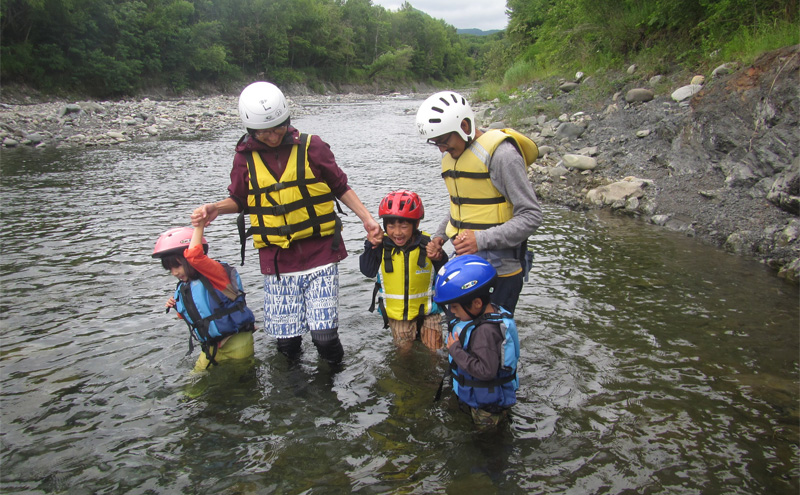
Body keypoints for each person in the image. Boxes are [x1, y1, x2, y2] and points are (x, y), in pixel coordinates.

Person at [191, 81, 382, 368]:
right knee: (287, 343)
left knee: (325, 337)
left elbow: (339, 186)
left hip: (320, 252)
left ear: (287, 119)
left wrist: (367, 219)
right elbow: (241, 199)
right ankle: (292, 399)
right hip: (277, 260)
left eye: (278, 127)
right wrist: (215, 208)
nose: (273, 135)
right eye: (264, 131)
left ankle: (332, 386)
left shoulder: (312, 146)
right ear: (250, 129)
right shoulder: (244, 157)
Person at [416, 91, 543, 315]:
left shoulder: (502, 156)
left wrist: (481, 239)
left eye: (444, 141)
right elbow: (462, 206)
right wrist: (439, 237)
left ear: (465, 126)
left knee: (490, 341)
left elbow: (531, 215)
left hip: (501, 272)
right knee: (462, 337)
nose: (442, 149)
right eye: (436, 143)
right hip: (466, 266)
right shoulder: (453, 156)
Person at [152, 225, 256, 372]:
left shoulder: (216, 274)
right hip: (211, 347)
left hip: (236, 343)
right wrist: (177, 303)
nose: (174, 272)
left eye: (177, 266)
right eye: (170, 269)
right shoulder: (185, 286)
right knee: (192, 386)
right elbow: (188, 316)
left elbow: (195, 256)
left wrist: (199, 226)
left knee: (241, 386)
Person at [433, 254, 520, 429]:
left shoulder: (485, 332)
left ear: (477, 303)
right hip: (488, 400)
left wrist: (456, 350)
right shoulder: (492, 313)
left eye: (455, 307)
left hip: (486, 410)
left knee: (486, 442)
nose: (453, 312)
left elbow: (486, 371)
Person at [359, 190, 448, 352]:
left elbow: (445, 274)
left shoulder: (428, 244)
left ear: (416, 225)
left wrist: (439, 257)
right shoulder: (380, 247)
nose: (397, 232)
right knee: (404, 353)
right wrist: (370, 247)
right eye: (391, 226)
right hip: (398, 317)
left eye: (404, 226)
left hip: (429, 312)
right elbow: (367, 271)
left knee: (435, 351)